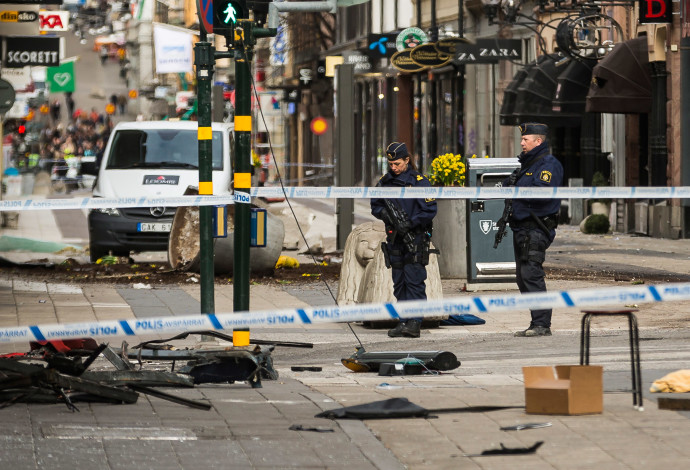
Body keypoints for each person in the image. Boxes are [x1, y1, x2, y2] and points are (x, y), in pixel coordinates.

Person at [370, 142, 437, 338]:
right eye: (391, 164)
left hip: (414, 237)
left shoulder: (419, 182)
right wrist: (385, 215)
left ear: (407, 160)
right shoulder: (384, 182)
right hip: (395, 239)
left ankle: (415, 322)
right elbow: (375, 205)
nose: (394, 168)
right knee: (398, 281)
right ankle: (403, 320)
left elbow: (430, 210)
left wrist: (410, 223)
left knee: (414, 280)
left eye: (397, 163)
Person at [507, 123, 564, 337]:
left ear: (538, 141)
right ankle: (536, 322)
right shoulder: (527, 164)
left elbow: (542, 193)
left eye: (525, 139)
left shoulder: (548, 164)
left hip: (536, 228)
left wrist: (517, 189)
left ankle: (542, 324)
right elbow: (509, 185)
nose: (521, 143)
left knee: (531, 274)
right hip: (522, 229)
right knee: (522, 278)